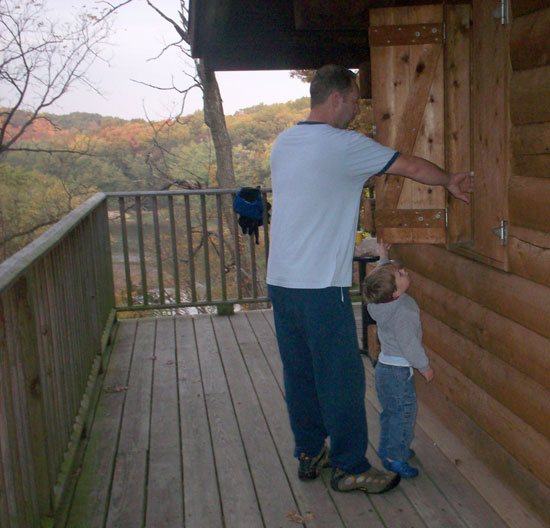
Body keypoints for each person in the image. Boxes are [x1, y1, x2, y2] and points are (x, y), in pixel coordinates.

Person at [266, 64, 472, 494]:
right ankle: (349, 465)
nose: (357, 110)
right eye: (356, 100)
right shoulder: (345, 145)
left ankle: (310, 452)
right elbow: (411, 167)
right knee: (341, 377)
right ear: (337, 98)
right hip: (321, 285)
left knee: (300, 371)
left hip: (281, 281)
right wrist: (449, 180)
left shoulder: (284, 142)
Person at [364, 239, 434, 478]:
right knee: (404, 414)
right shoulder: (403, 312)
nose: (405, 272)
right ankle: (396, 457)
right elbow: (410, 345)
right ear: (395, 291)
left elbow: (382, 280)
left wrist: (383, 258)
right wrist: (424, 366)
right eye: (401, 274)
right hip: (398, 372)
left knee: (391, 412)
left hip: (384, 367)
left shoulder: (379, 302)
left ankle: (388, 448)